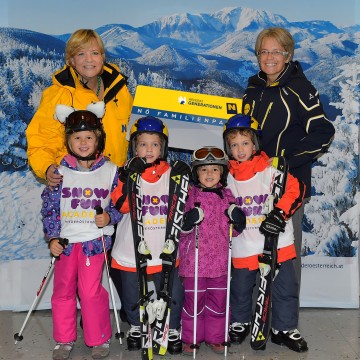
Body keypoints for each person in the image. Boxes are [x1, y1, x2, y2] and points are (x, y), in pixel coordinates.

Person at [241, 27, 335, 284]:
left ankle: (285, 320)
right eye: (264, 51)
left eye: (276, 51)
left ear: (288, 55)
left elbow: (324, 131)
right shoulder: (253, 88)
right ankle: (256, 317)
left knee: (286, 253)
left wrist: (287, 162)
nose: (269, 57)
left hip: (288, 186)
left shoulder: (299, 88)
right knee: (253, 250)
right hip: (253, 183)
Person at [41, 102, 122, 360]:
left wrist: (110, 217)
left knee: (90, 291)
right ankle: (64, 340)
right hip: (66, 243)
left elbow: (121, 205)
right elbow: (50, 208)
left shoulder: (110, 171)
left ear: (98, 139)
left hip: (93, 243)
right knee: (63, 291)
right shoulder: (60, 172)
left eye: (89, 137)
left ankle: (98, 337)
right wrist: (53, 236)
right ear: (69, 141)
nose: (84, 143)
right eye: (77, 138)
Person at [223, 114, 308, 353]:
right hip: (244, 245)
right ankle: (241, 322)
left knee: (284, 288)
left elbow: (296, 189)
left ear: (255, 144)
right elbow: (220, 202)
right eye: (234, 144)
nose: (240, 149)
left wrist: (280, 214)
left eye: (245, 143)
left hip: (277, 244)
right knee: (240, 289)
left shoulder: (270, 169)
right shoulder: (226, 176)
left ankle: (284, 328)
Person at [110, 116, 188, 354]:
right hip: (133, 246)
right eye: (143, 144)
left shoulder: (171, 174)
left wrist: (187, 177)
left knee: (173, 292)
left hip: (163, 246)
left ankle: (172, 327)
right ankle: (136, 325)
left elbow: (184, 204)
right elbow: (120, 205)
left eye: (154, 144)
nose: (149, 149)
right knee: (133, 292)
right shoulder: (128, 173)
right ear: (134, 147)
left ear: (163, 147)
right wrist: (126, 178)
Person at [26, 28, 133, 188]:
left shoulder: (118, 88)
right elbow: (40, 139)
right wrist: (47, 167)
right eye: (81, 54)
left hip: (117, 181)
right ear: (71, 60)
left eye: (95, 53)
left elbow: (136, 129)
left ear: (103, 58)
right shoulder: (59, 94)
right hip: (76, 185)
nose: (89, 59)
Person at [178, 146, 246, 355]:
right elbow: (179, 229)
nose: (209, 174)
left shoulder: (227, 197)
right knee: (193, 303)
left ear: (222, 173)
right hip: (194, 263)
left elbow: (234, 231)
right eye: (204, 170)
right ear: (196, 173)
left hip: (219, 263)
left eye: (215, 170)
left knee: (218, 302)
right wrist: (188, 221)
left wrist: (238, 219)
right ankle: (191, 337)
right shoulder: (189, 195)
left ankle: (216, 337)